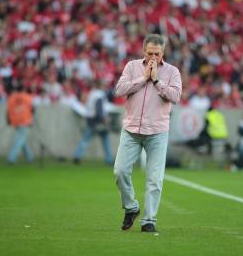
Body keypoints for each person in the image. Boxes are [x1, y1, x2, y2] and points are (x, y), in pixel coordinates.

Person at [113, 34, 182, 233]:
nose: (153, 57)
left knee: (155, 178)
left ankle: (149, 220)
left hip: (157, 131)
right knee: (120, 171)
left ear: (163, 53)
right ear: (143, 51)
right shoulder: (132, 67)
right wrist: (143, 78)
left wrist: (157, 81)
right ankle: (131, 207)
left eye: (157, 53)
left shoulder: (172, 72)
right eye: (150, 52)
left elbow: (176, 96)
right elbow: (119, 90)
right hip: (131, 129)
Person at [73, 80, 114, 165]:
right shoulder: (99, 95)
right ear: (101, 86)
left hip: (90, 119)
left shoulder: (92, 93)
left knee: (85, 139)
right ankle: (109, 159)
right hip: (97, 120)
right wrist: (103, 120)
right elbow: (99, 109)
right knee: (105, 140)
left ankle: (77, 156)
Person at [6, 83, 34, 164]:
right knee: (19, 140)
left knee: (21, 139)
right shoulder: (28, 98)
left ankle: (29, 157)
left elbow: (8, 110)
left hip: (15, 121)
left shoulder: (11, 98)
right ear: (24, 89)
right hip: (25, 121)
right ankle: (11, 158)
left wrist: (9, 120)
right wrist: (31, 120)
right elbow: (31, 109)